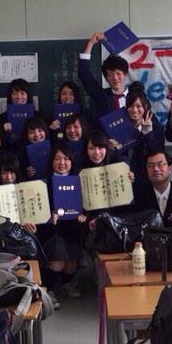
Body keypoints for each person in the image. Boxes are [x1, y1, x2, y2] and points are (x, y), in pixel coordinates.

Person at [38, 144, 86, 300]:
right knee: (57, 262)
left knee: (71, 264)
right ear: (51, 161)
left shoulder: (80, 180)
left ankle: (68, 283)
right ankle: (49, 289)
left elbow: (87, 204)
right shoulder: (43, 182)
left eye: (66, 159)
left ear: (72, 161)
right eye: (57, 159)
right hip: (52, 229)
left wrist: (83, 215)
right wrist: (47, 216)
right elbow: (37, 209)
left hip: (73, 228)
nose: (62, 163)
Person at [79, 31, 131, 118]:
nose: (115, 78)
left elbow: (150, 120)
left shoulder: (136, 96)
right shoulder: (101, 96)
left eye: (118, 73)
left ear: (125, 74)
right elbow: (83, 73)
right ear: (106, 78)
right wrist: (90, 43)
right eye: (110, 75)